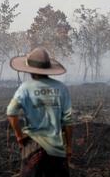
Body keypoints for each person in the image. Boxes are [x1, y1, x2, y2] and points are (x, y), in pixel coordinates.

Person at [7, 47, 72, 177]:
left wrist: (19, 136)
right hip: (57, 148)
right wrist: (69, 146)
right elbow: (67, 122)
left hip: (32, 147)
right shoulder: (61, 88)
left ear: (30, 70)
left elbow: (11, 112)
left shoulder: (25, 88)